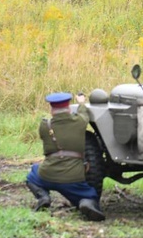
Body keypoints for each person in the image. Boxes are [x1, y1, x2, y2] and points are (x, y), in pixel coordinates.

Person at [25, 92, 105, 221]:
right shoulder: (79, 122)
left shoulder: (45, 126)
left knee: (32, 175)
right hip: (73, 178)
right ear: (68, 108)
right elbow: (84, 114)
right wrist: (81, 103)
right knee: (90, 194)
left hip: (47, 174)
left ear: (51, 110)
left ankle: (43, 197)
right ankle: (86, 202)